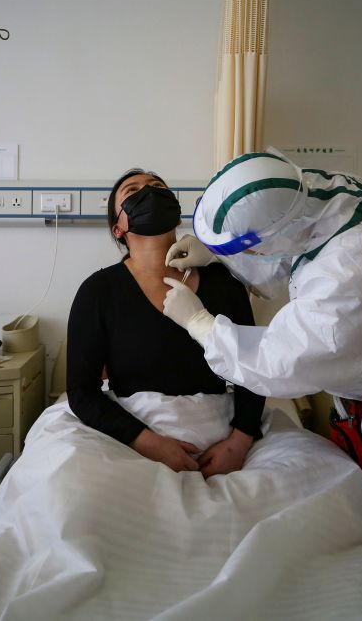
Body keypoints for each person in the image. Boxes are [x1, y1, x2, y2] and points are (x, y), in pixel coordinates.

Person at [160, 152, 362, 621]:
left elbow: (279, 359)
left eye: (245, 248)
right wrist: (216, 249)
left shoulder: (354, 274)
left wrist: (200, 324)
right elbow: (294, 246)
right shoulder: (321, 192)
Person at [66, 168, 265, 477]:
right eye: (132, 191)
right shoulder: (99, 291)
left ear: (174, 208)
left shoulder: (223, 281)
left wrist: (239, 441)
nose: (149, 192)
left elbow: (255, 366)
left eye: (158, 187)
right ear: (117, 228)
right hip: (131, 434)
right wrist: (147, 442)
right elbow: (81, 392)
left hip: (221, 433)